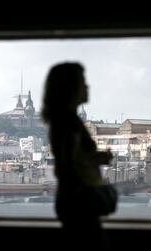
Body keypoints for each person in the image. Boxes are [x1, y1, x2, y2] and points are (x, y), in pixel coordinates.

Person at [41, 62, 114, 249]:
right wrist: (98, 158)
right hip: (80, 202)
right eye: (83, 81)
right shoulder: (68, 121)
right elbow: (70, 161)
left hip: (74, 201)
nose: (87, 86)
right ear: (70, 88)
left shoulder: (64, 120)